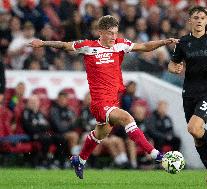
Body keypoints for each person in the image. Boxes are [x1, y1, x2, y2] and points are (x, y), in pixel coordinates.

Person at [29, 15, 178, 179]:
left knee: (100, 134)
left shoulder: (120, 44)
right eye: (109, 33)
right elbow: (65, 45)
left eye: (115, 33)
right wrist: (43, 43)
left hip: (113, 100)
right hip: (100, 103)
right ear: (100, 32)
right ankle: (156, 155)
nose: (113, 37)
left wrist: (164, 42)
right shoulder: (88, 46)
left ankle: (80, 160)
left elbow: (144, 47)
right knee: (128, 118)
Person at [167, 6, 207, 183]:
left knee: (194, 128)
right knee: (196, 135)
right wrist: (176, 69)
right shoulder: (183, 43)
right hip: (189, 92)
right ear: (190, 21)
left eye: (202, 17)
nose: (199, 20)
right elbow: (172, 65)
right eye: (196, 17)